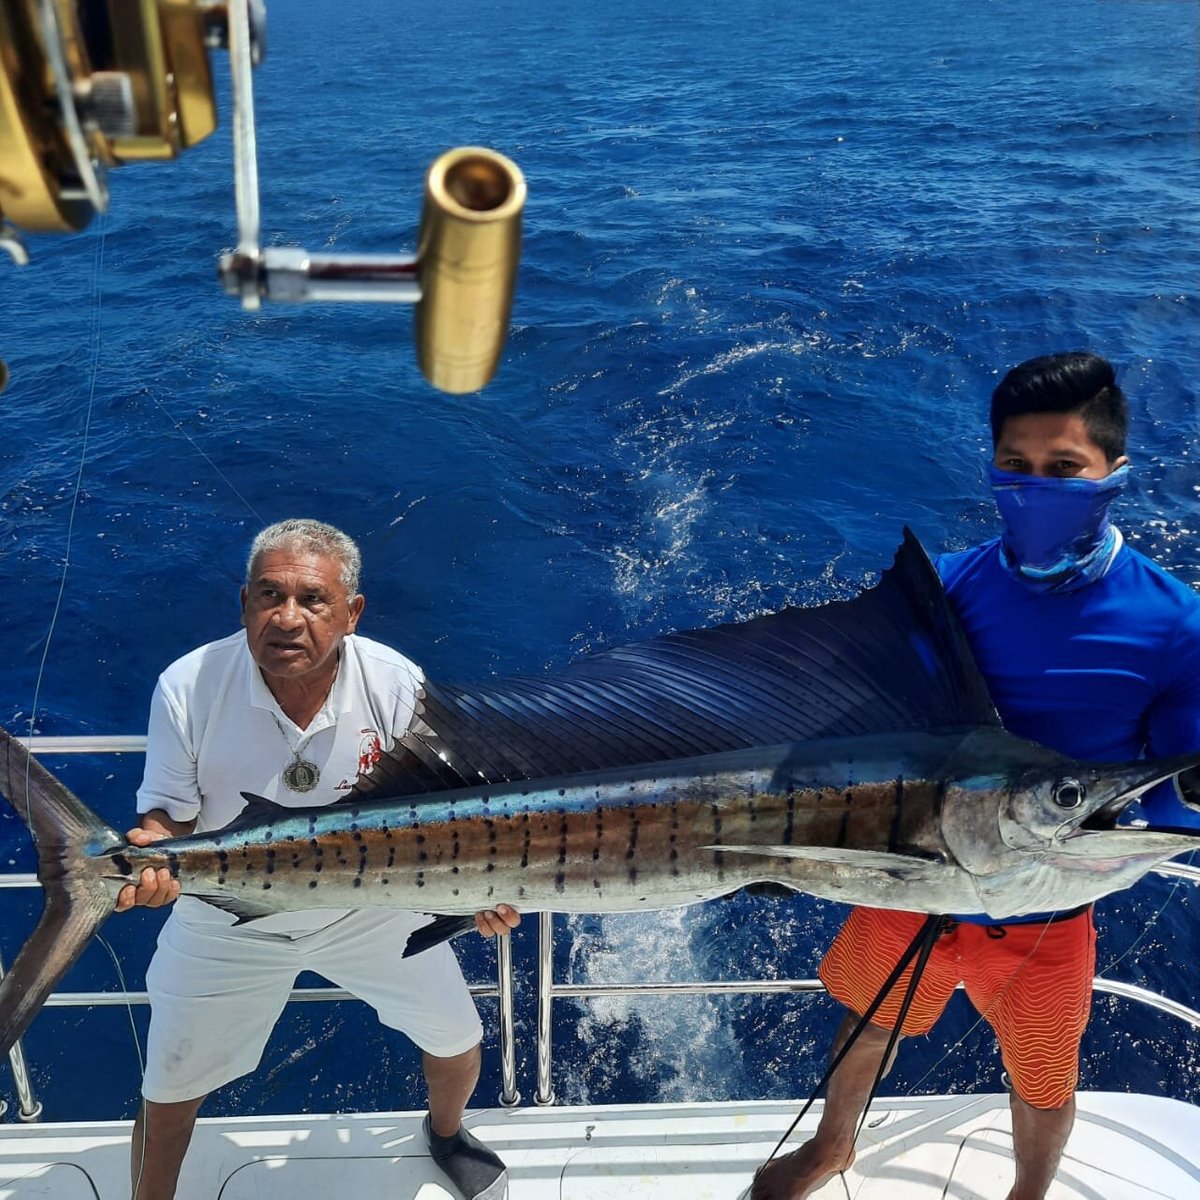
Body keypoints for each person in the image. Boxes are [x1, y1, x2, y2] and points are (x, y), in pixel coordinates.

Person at [751, 352, 1200, 1200]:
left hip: (1045, 901)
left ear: (1113, 474)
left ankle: (1027, 1195)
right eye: (1016, 467)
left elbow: (1176, 793)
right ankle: (833, 1147)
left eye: (1064, 469)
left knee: (1041, 1075)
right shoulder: (941, 591)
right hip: (911, 874)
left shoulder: (1175, 624)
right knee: (870, 1020)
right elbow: (853, 731)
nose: (1037, 487)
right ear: (992, 465)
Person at [116, 518, 519, 1200]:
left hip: (371, 908)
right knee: (169, 1086)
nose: (287, 617)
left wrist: (475, 892)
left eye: (312, 600)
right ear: (244, 603)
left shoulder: (396, 684)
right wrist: (153, 850)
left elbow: (443, 818)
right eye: (269, 596)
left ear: (351, 613)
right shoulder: (188, 686)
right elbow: (168, 816)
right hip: (227, 916)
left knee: (457, 1042)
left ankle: (445, 1134)